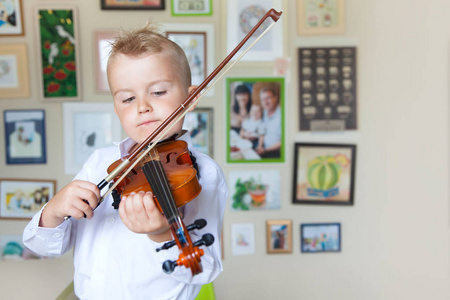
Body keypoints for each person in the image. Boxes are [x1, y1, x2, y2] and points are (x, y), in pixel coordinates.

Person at [23, 22, 227, 300]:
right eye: (128, 98)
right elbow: (41, 245)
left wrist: (161, 233)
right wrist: (55, 211)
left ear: (190, 98)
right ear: (117, 109)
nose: (142, 106)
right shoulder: (101, 163)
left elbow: (204, 269)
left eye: (158, 92)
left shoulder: (202, 174)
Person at [255, 85, 282, 158]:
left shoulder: (282, 115)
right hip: (262, 148)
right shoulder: (263, 113)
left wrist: (265, 150)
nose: (265, 102)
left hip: (275, 153)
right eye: (263, 99)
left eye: (268, 98)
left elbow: (284, 141)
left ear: (275, 98)